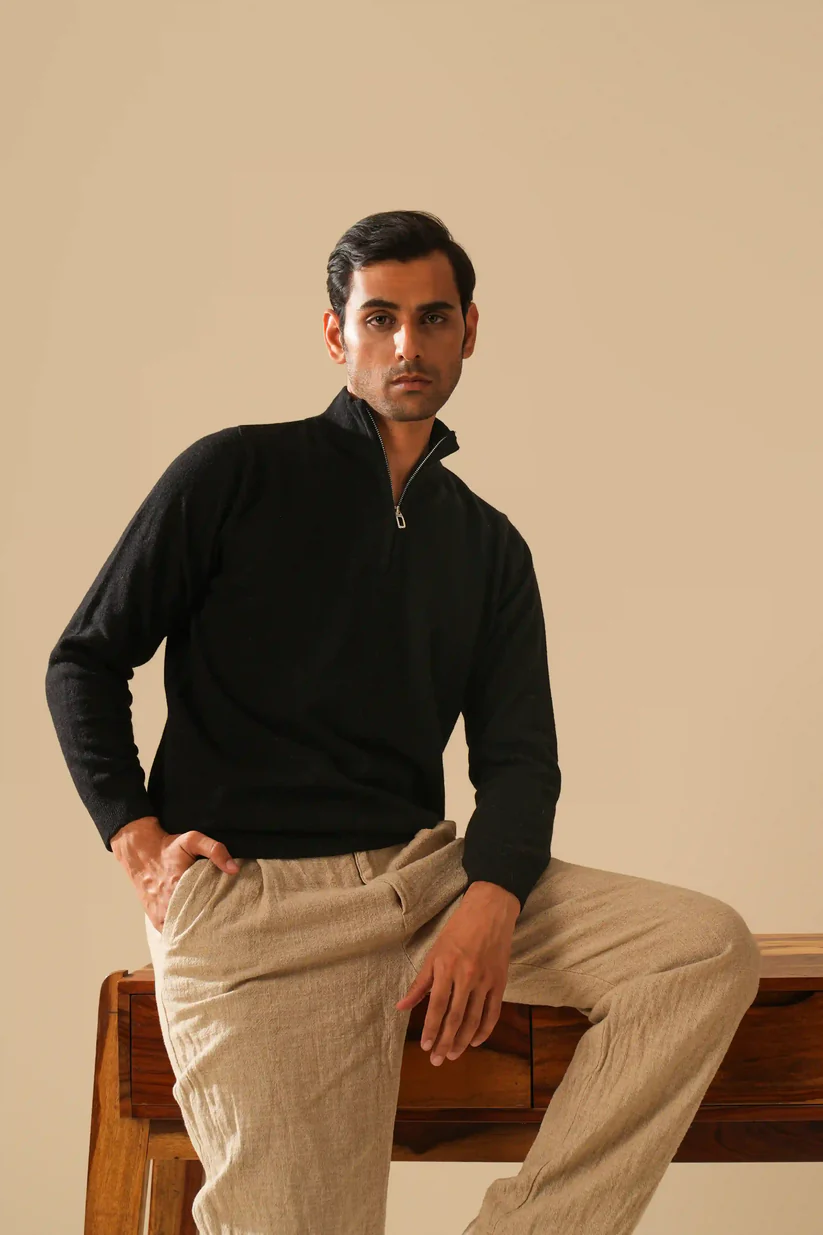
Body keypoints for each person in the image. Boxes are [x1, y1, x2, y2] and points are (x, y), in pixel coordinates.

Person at [45, 209, 761, 1235]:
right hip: (255, 909)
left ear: (470, 331)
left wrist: (491, 897)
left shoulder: (487, 545)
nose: (406, 344)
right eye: (379, 318)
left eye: (432, 318)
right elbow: (83, 659)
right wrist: (138, 837)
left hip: (421, 881)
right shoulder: (233, 474)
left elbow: (519, 760)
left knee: (698, 950)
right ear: (335, 335)